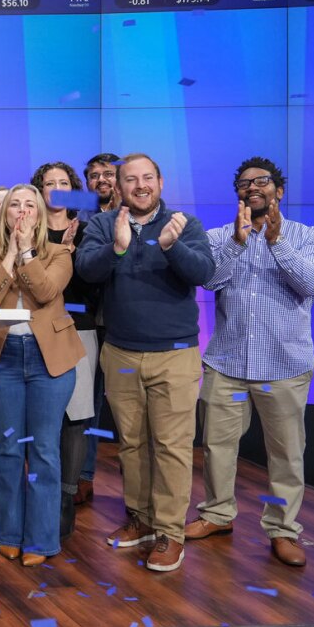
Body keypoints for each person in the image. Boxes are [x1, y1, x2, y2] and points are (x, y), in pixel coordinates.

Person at [185, 158, 314, 567]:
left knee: (286, 453)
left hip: (285, 365)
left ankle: (283, 530)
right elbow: (209, 281)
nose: (253, 187)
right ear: (238, 194)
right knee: (217, 447)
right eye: (244, 183)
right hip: (226, 362)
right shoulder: (220, 236)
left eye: (262, 181)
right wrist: (237, 242)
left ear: (279, 191)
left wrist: (275, 242)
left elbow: (310, 283)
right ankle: (217, 514)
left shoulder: (311, 237)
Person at [76, 153, 215, 572]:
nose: (140, 185)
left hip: (174, 353)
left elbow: (204, 272)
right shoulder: (102, 224)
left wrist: (172, 248)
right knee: (132, 444)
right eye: (131, 179)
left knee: (172, 448)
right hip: (119, 352)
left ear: (160, 181)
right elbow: (86, 271)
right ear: (118, 186)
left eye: (148, 178)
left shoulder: (183, 225)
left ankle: (170, 533)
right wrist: (117, 248)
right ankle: (141, 519)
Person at [0, 184, 82, 565]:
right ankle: (10, 532)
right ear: (3, 214)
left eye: (29, 205)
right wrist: (11, 256)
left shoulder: (61, 252)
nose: (21, 211)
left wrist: (29, 253)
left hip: (47, 359)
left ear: (39, 213)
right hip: (2, 359)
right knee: (9, 447)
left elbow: (47, 291)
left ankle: (41, 539)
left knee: (45, 450)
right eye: (14, 205)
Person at [32, 162, 100, 540]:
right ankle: (37, 494)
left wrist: (73, 255)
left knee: (75, 419)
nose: (56, 188)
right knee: (39, 421)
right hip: (34, 330)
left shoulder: (90, 231)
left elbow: (93, 285)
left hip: (78, 330)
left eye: (63, 183)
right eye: (48, 183)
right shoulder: (26, 229)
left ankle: (65, 500)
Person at [76, 152, 120, 505]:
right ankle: (83, 474)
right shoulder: (79, 218)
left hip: (128, 325)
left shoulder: (141, 216)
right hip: (89, 323)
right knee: (87, 404)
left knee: (127, 409)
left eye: (109, 174)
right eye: (94, 176)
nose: (101, 180)